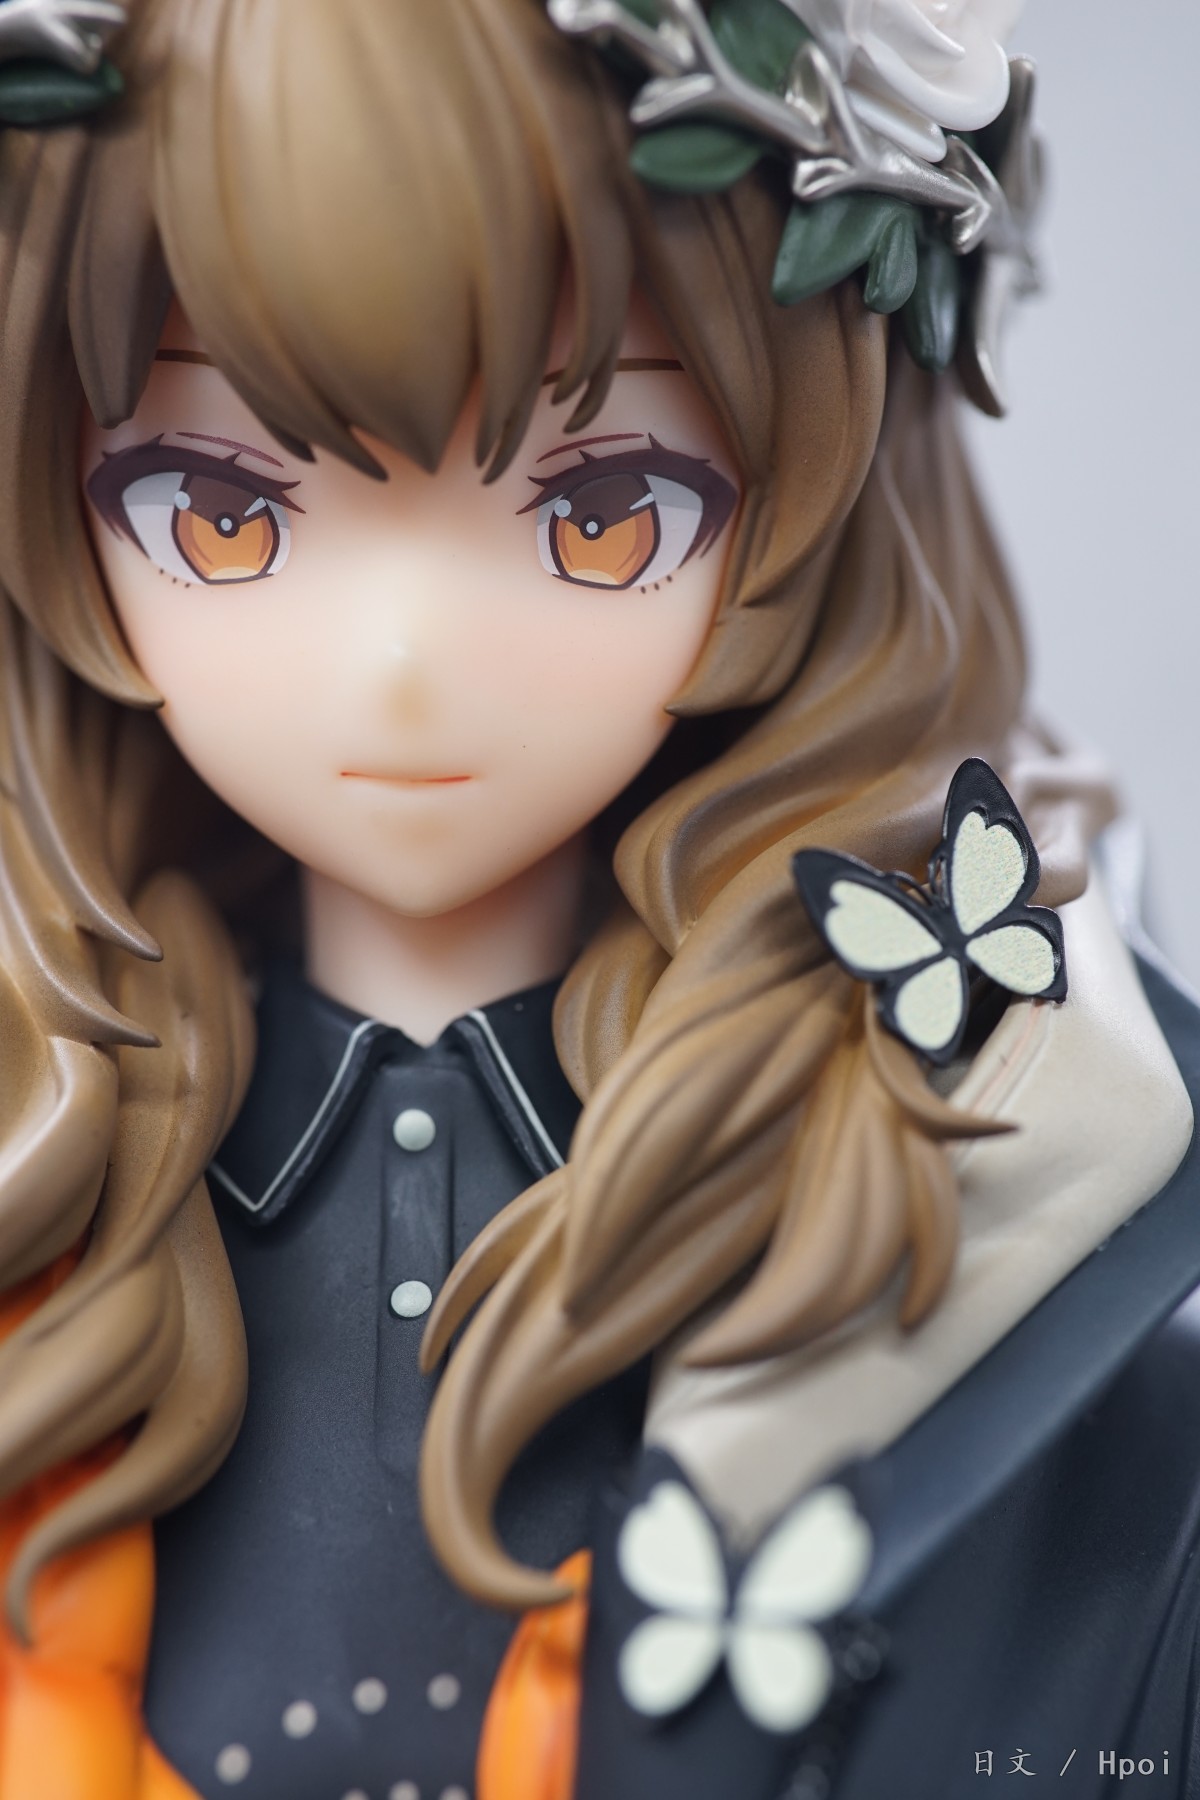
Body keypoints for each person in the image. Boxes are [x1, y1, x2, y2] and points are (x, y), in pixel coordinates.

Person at [0, 3, 1197, 1798]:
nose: (403, 668)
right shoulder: (60, 1159)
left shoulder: (964, 1193)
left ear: (801, 497)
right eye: (220, 511)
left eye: (605, 513)